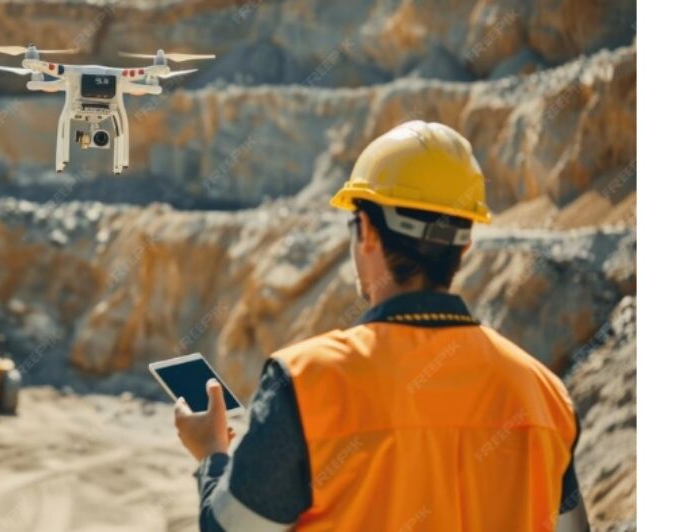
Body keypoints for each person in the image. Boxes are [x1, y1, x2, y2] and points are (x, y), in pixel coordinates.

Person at [174, 121, 590, 531]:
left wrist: (212, 453)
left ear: (368, 231)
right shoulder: (547, 396)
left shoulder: (306, 382)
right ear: (465, 244)